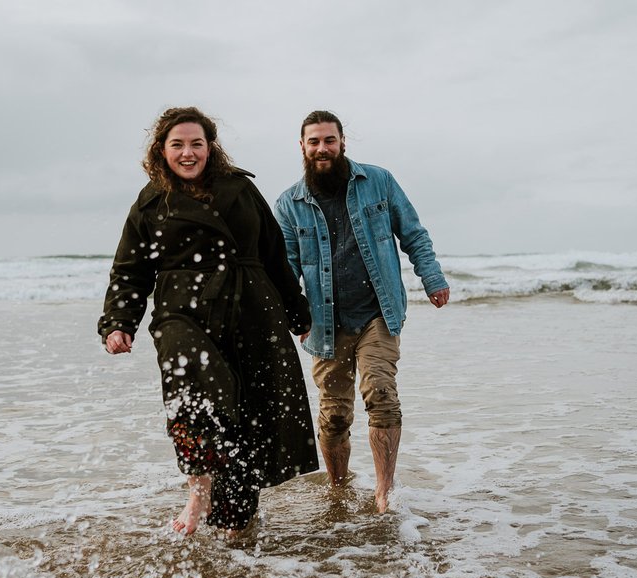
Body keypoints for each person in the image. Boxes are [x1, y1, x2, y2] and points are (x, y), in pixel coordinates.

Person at [98, 106, 318, 536]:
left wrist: (297, 311)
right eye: (177, 144)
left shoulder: (240, 189)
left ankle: (237, 521)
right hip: (181, 312)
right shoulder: (149, 202)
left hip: (251, 310)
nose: (187, 153)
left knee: (249, 413)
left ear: (209, 146)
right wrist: (118, 321)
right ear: (161, 150)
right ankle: (199, 488)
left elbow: (274, 252)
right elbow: (130, 269)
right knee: (195, 391)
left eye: (196, 143)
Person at [274, 110, 450, 513]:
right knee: (334, 414)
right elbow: (285, 267)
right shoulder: (289, 203)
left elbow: (413, 232)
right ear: (301, 146)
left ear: (342, 143)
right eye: (314, 141)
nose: (322, 148)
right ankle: (338, 488)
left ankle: (383, 491)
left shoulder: (379, 181)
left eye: (329, 140)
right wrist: (293, 316)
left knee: (382, 394)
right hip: (324, 322)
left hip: (378, 313)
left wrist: (432, 278)